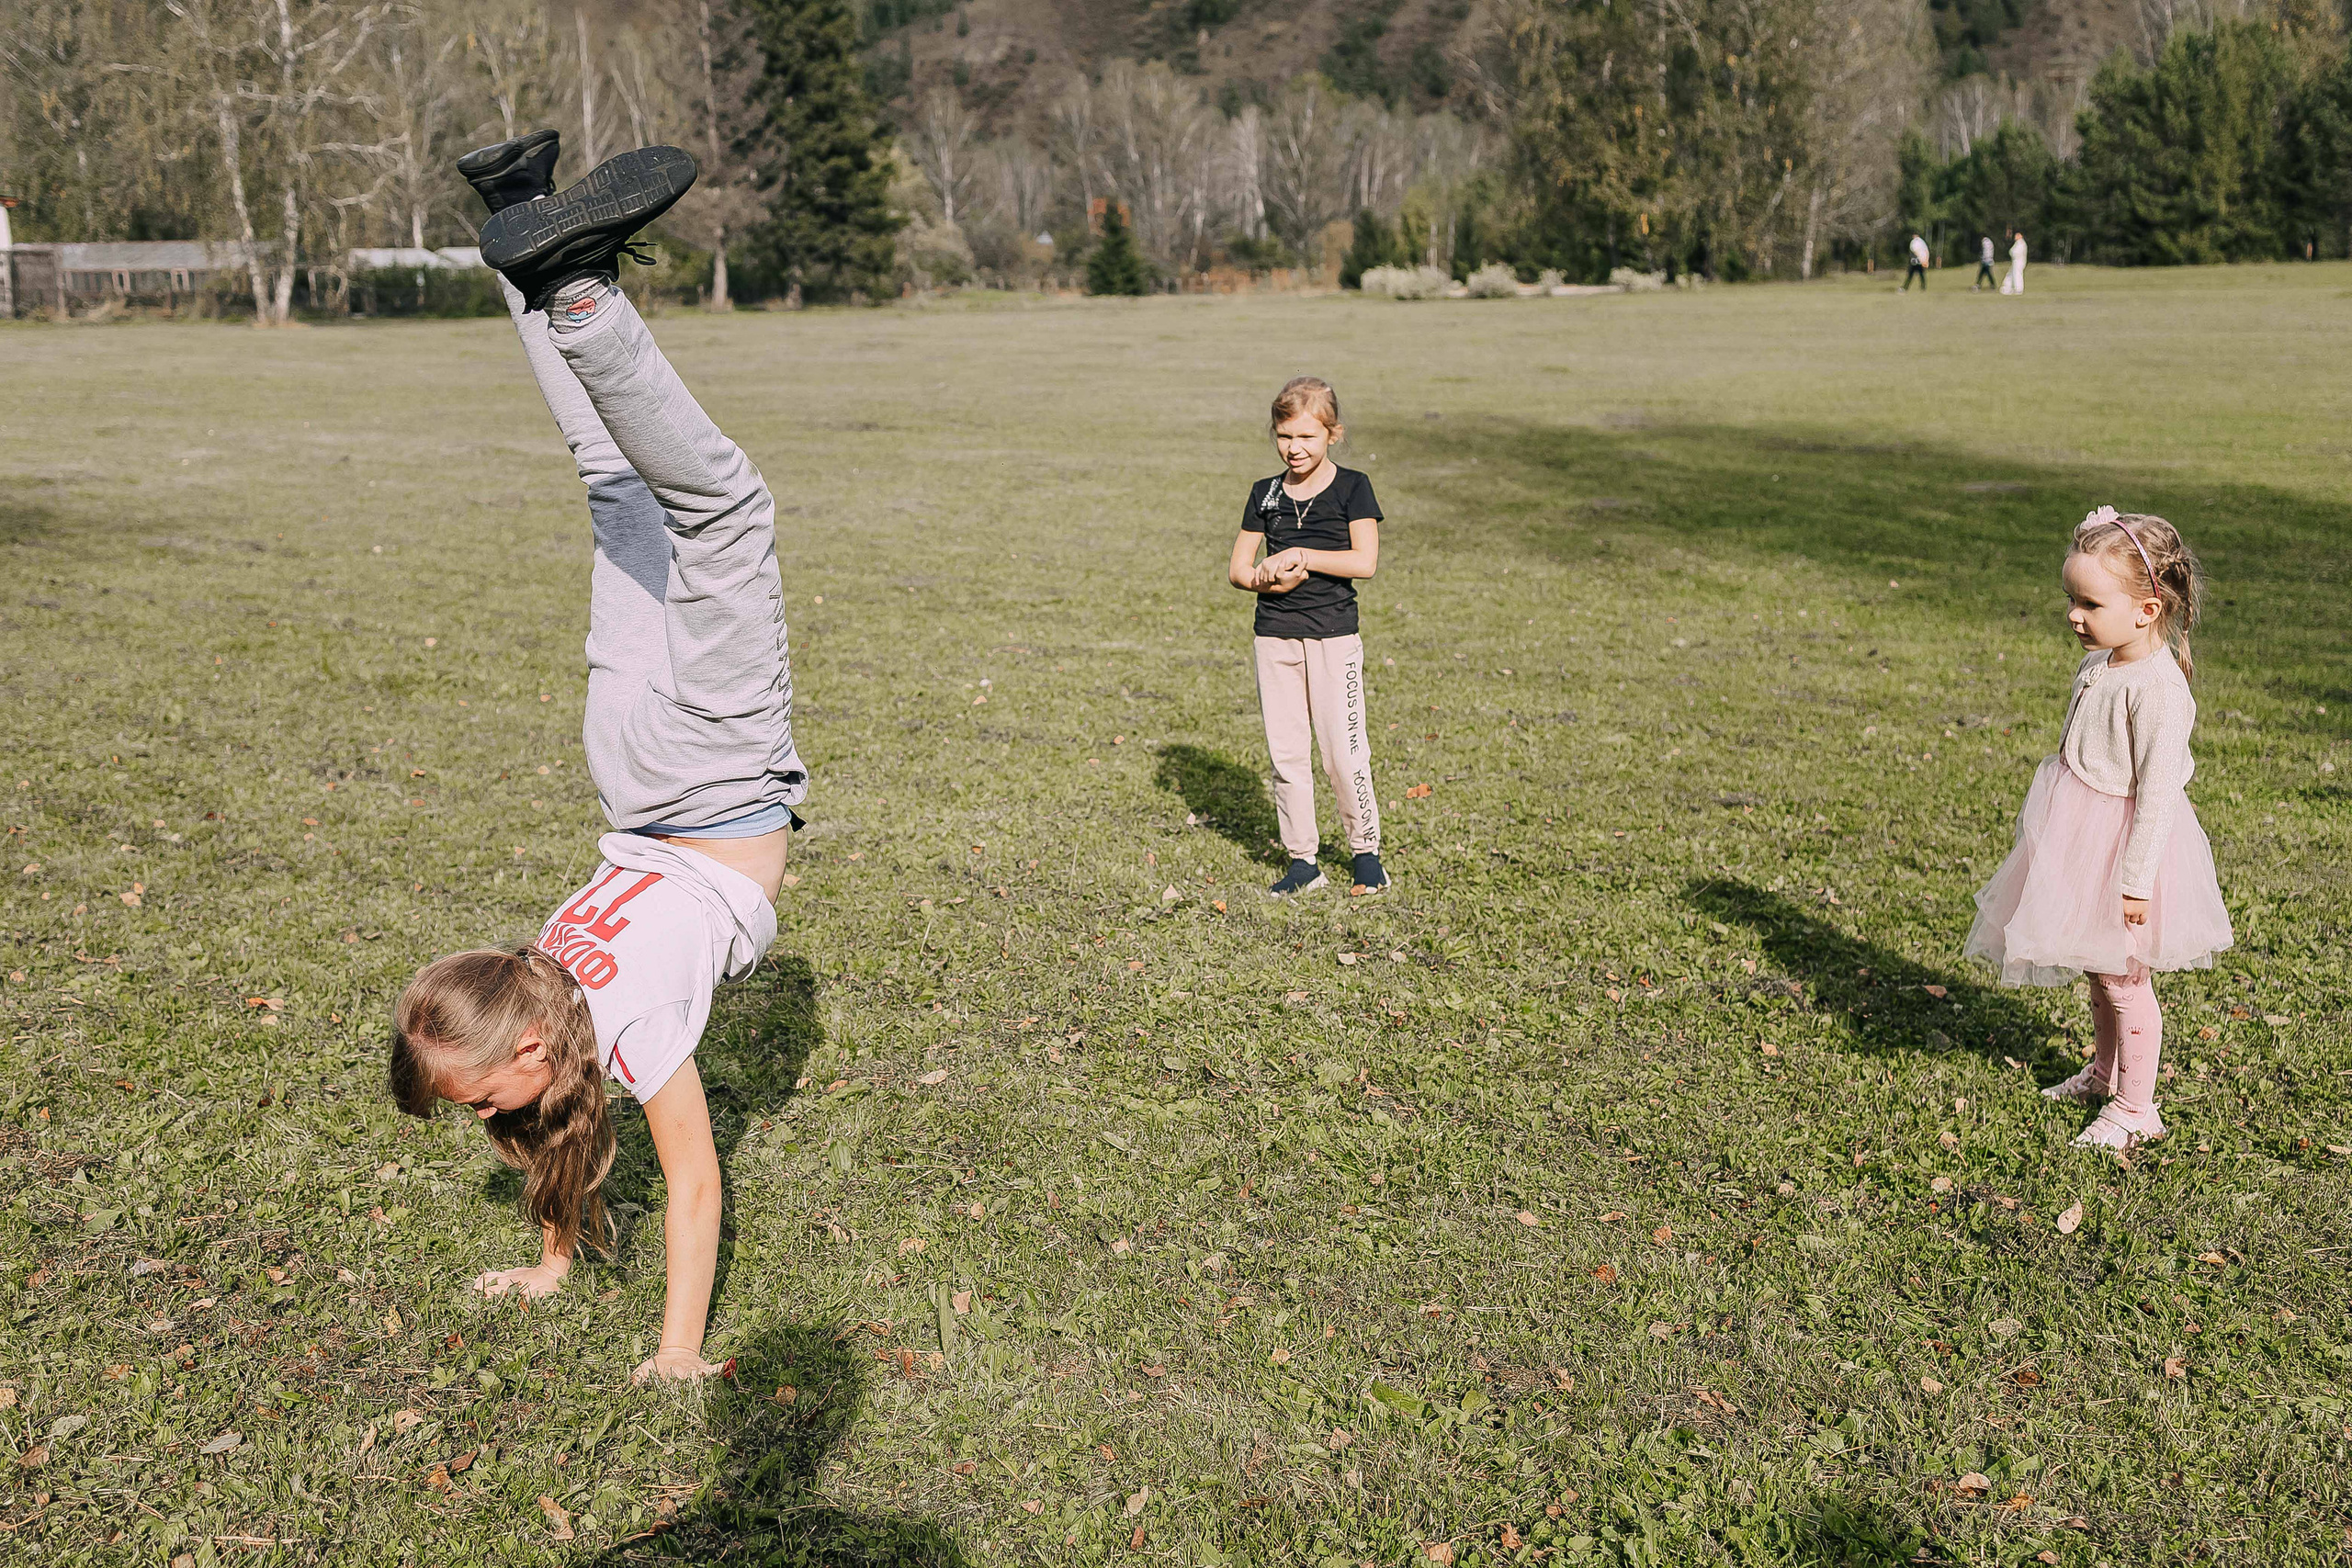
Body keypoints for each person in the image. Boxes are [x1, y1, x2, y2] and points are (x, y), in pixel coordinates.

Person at [390, 134, 806, 1382]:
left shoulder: (625, 1032)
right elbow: (557, 1122)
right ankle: (518, 211)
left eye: (477, 1097)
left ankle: (574, 289)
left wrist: (677, 1356)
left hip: (711, 777)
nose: (480, 1115)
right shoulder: (535, 973)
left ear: (527, 1050)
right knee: (620, 489)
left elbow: (694, 1180)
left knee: (721, 508)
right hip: (626, 769)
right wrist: (553, 1257)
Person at [1963, 507, 2232, 1151]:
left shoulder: (2158, 691)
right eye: (2070, 599)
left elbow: (2157, 796)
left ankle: (2137, 1107)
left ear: (2147, 609)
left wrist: (2136, 880)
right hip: (2082, 833)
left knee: (2124, 978)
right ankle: (2105, 1073)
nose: (2073, 616)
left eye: (2089, 603)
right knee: (2096, 964)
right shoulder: (2104, 661)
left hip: (2127, 847)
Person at [1227, 378, 1387, 898]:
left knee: (1343, 753)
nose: (1294, 448)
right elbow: (1238, 569)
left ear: (1332, 434)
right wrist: (1268, 579)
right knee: (1287, 755)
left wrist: (1303, 558)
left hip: (1333, 638)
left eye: (1306, 437)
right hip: (1274, 638)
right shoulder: (1265, 493)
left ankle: (1366, 853)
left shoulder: (1353, 487)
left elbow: (1364, 562)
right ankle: (1303, 861)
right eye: (1284, 436)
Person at [2001, 229, 2028, 294]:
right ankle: (2007, 287)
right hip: (2015, 262)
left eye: (2017, 235)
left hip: (2019, 262)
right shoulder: (2018, 243)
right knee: (2011, 274)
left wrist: (2012, 252)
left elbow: (2016, 253)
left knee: (2017, 275)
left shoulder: (2021, 244)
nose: (2015, 237)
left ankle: (2018, 289)